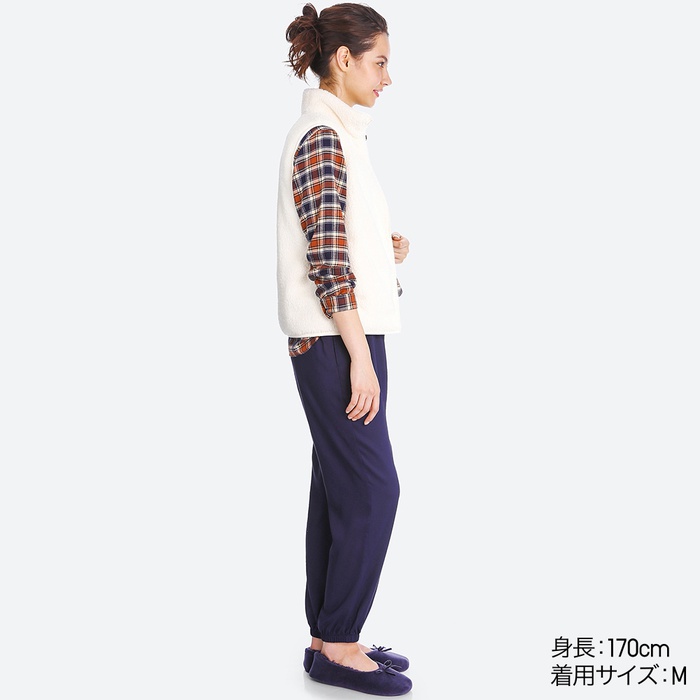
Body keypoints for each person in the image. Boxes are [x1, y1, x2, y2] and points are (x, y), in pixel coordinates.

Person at [276, 3, 412, 695]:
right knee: (373, 489)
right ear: (344, 60)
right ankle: (341, 645)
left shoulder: (339, 137)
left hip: (341, 334)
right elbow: (326, 263)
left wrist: (383, 250)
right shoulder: (323, 138)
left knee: (338, 487)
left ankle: (325, 636)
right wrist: (359, 356)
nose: (387, 77)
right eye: (380, 62)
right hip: (337, 340)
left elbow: (336, 239)